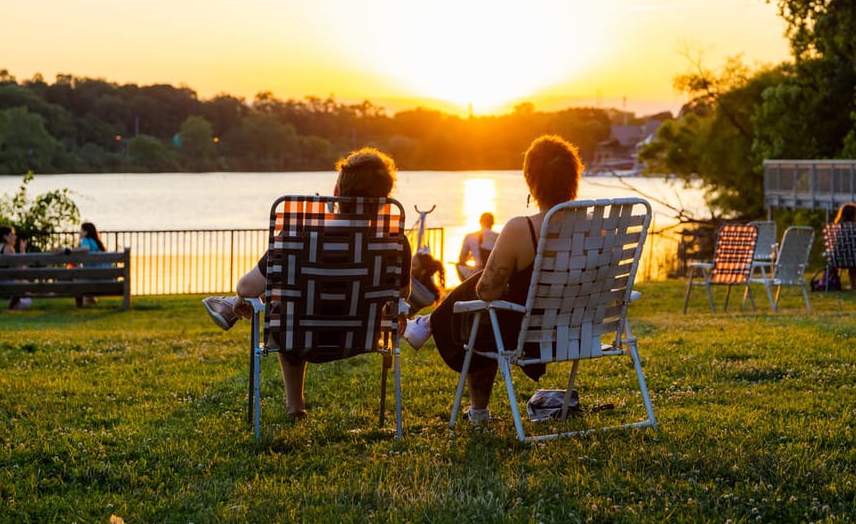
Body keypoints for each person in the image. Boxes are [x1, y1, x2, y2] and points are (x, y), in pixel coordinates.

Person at [202, 147, 411, 420]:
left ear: (336, 191)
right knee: (290, 299)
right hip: (361, 336)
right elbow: (402, 294)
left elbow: (247, 287)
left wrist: (241, 297)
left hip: (298, 335)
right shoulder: (394, 242)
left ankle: (294, 404)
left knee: (287, 302)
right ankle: (234, 307)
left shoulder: (298, 235)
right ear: (385, 200)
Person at [403, 135, 584, 424]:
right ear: (575, 177)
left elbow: (486, 292)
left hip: (530, 335)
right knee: (488, 297)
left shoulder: (521, 229)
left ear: (530, 180)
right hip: (579, 330)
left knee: (481, 314)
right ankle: (427, 324)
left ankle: (476, 408)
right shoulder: (597, 228)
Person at [55, 221, 107, 306]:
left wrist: (68, 250)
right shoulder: (97, 242)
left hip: (93, 277)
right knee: (81, 274)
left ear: (86, 232)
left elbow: (86, 248)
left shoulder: (85, 240)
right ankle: (90, 298)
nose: (79, 232)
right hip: (104, 277)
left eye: (81, 230)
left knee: (77, 280)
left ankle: (80, 304)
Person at [832, 201, 856, 290]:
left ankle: (835, 282)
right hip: (854, 259)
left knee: (848, 254)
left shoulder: (837, 226)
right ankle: (853, 285)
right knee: (854, 255)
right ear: (853, 215)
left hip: (838, 258)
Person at [456, 212, 499, 281]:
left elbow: (461, 258)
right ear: (492, 223)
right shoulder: (499, 236)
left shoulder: (470, 237)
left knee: (458, 265)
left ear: (480, 222)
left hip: (476, 274)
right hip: (494, 274)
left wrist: (470, 258)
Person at [0, 225, 32, 310]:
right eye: (12, 234)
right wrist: (22, 250)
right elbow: (21, 271)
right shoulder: (8, 249)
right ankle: (12, 307)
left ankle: (13, 306)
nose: (15, 237)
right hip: (4, 284)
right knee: (24, 287)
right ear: (5, 236)